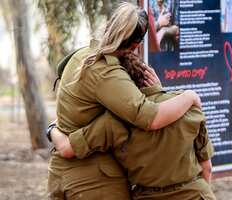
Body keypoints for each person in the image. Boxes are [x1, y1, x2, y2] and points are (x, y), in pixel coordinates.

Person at [48, 2, 202, 200]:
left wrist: (53, 129)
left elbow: (68, 134)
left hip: (62, 173)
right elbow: (150, 117)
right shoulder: (108, 77)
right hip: (93, 181)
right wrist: (189, 95)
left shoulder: (82, 56)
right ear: (136, 45)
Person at [49, 57, 215, 199]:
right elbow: (206, 167)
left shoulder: (114, 121)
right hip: (197, 194)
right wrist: (159, 92)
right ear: (150, 74)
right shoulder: (187, 107)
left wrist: (52, 129)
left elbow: (66, 148)